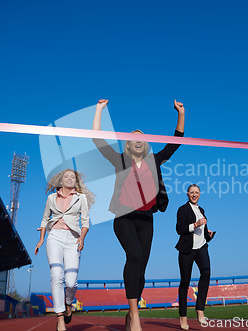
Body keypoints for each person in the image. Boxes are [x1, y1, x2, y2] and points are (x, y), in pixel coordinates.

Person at [92, 99, 185, 331]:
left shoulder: (154, 161)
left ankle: (130, 311)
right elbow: (97, 140)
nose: (138, 140)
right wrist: (99, 110)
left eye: (142, 138)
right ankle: (135, 315)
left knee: (141, 267)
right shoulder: (120, 160)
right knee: (133, 254)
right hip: (123, 217)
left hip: (146, 219)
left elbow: (176, 142)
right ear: (128, 144)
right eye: (134, 137)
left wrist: (181, 113)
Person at [34, 169, 95, 331]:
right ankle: (60, 318)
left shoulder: (80, 198)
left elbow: (86, 221)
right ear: (60, 182)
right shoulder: (51, 198)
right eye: (66, 177)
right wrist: (41, 239)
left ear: (76, 181)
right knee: (56, 275)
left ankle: (68, 303)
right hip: (54, 237)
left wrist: (82, 238)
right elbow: (45, 218)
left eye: (72, 177)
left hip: (73, 239)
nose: (69, 178)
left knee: (71, 281)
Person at [175, 184, 215, 330]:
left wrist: (208, 234)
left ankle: (200, 310)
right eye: (191, 192)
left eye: (197, 192)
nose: (194, 194)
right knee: (185, 282)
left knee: (206, 273)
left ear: (200, 194)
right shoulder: (182, 209)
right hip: (187, 249)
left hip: (202, 248)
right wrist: (195, 224)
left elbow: (202, 232)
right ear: (187, 194)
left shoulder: (201, 210)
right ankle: (183, 317)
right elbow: (179, 229)